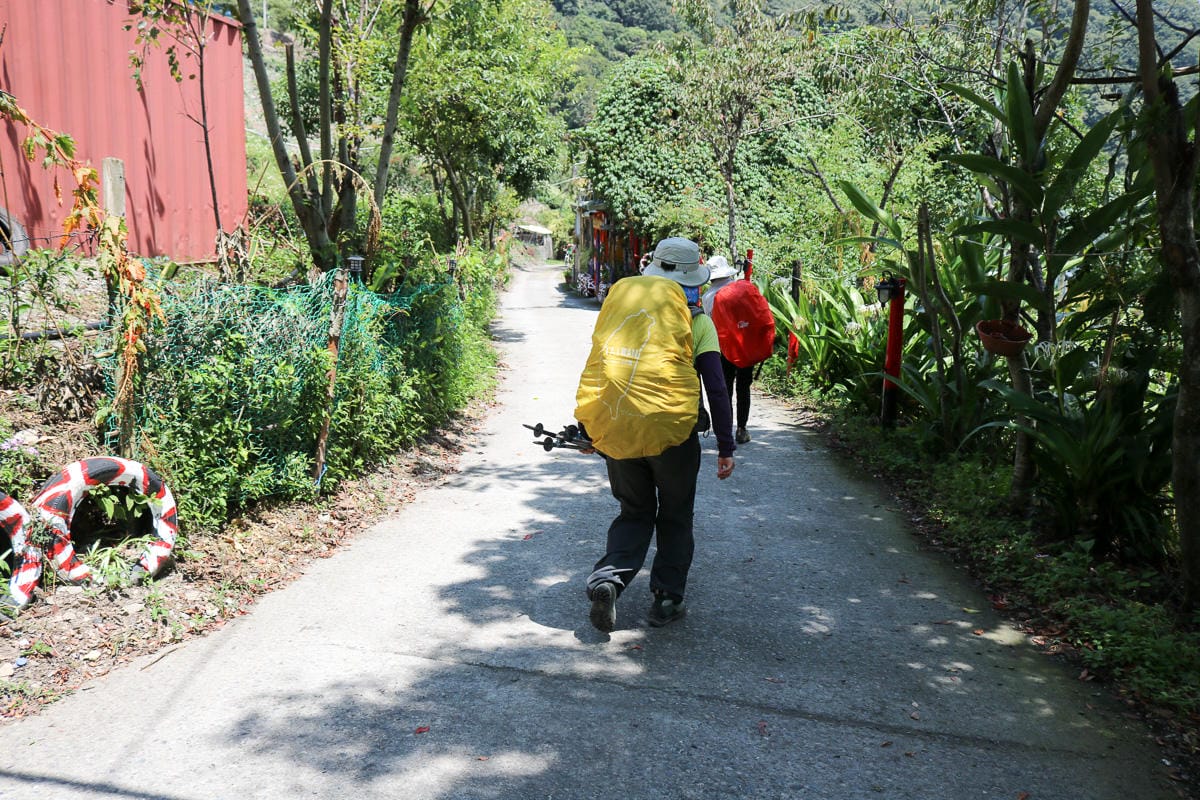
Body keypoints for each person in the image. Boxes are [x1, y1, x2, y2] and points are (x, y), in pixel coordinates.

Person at [579, 236, 736, 632]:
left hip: (619, 428)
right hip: (673, 436)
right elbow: (716, 387)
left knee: (634, 511)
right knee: (676, 514)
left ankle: (608, 580)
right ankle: (667, 598)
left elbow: (602, 366)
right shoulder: (697, 320)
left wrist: (589, 427)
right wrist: (726, 444)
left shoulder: (623, 307)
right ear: (692, 279)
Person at [702, 255, 754, 444]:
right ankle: (742, 428)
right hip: (746, 346)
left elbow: (709, 324)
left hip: (722, 348)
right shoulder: (743, 290)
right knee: (743, 387)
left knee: (725, 390)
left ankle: (726, 432)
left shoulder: (709, 296)